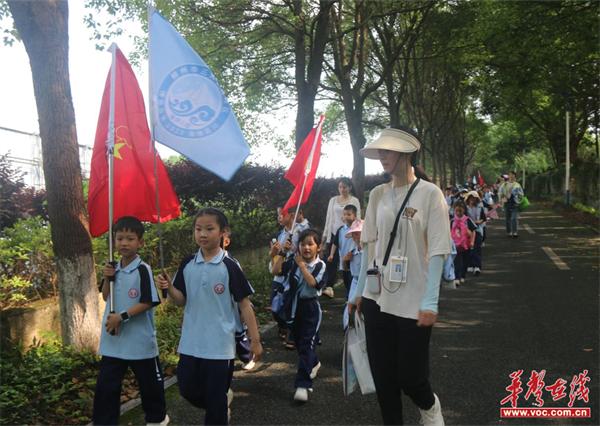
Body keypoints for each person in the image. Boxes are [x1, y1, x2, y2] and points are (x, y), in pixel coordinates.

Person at [348, 127, 451, 426]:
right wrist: (358, 293)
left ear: (406, 152)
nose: (381, 156)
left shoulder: (430, 194)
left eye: (387, 150)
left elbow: (438, 251)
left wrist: (430, 301)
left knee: (411, 376)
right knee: (384, 378)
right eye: (379, 150)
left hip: (414, 301)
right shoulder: (378, 194)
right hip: (376, 296)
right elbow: (369, 246)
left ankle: (429, 407)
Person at [156, 208, 262, 425]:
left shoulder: (229, 266)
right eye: (198, 229)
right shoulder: (188, 263)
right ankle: (220, 405)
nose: (202, 234)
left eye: (209, 229)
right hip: (191, 342)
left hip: (220, 346)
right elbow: (180, 299)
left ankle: (218, 408)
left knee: (214, 406)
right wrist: (167, 288)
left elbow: (245, 305)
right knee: (186, 389)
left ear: (223, 232)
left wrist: (255, 340)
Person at [93, 216, 168, 426]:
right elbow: (106, 296)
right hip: (113, 342)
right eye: (119, 238)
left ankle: (157, 419)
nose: (124, 243)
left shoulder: (143, 269)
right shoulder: (112, 266)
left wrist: (121, 317)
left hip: (139, 341)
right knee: (106, 388)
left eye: (130, 239)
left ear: (140, 242)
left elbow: (149, 301)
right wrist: (107, 277)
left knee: (149, 385)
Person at [272, 228, 327, 403]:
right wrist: (280, 253)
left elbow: (313, 284)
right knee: (299, 344)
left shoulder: (320, 265)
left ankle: (303, 385)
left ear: (318, 247)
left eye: (310, 244)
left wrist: (302, 265)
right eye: (303, 244)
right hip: (292, 308)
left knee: (306, 345)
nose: (306, 248)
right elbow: (275, 271)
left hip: (310, 309)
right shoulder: (293, 261)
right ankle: (314, 362)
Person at [222, 229, 255, 371]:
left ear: (226, 242)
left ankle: (248, 357)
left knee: (238, 335)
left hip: (233, 304)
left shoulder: (232, 262)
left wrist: (244, 309)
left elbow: (242, 288)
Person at [322, 178, 361, 295]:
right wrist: (325, 237)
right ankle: (329, 287)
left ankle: (352, 288)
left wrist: (357, 234)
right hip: (335, 232)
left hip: (349, 234)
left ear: (349, 187)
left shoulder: (354, 200)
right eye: (340, 187)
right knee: (331, 260)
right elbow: (329, 218)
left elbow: (358, 218)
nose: (342, 189)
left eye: (344, 187)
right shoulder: (333, 200)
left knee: (348, 261)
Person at [328, 204, 358, 298]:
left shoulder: (358, 229)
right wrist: (331, 255)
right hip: (344, 261)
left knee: (353, 280)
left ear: (355, 216)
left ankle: (351, 298)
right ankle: (349, 298)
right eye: (344, 214)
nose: (346, 216)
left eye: (349, 214)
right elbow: (335, 243)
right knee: (346, 280)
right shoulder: (341, 230)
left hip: (355, 260)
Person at [342, 219, 363, 329]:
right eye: (354, 233)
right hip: (355, 280)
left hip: (365, 282)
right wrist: (345, 260)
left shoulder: (369, 251)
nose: (356, 236)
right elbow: (346, 269)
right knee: (349, 304)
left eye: (358, 233)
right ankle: (347, 328)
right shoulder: (353, 249)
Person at [451, 201, 477, 286]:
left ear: (463, 211)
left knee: (465, 261)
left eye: (460, 211)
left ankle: (462, 275)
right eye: (457, 211)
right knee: (457, 262)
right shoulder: (452, 221)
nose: (458, 213)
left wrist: (472, 241)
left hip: (466, 244)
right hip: (456, 245)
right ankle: (457, 277)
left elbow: (473, 231)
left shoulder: (467, 220)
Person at [465, 191, 486, 275]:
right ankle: (470, 264)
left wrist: (478, 221)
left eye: (474, 199)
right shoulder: (465, 209)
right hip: (468, 231)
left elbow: (483, 218)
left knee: (477, 248)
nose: (472, 200)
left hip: (478, 230)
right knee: (469, 248)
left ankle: (477, 266)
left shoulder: (480, 208)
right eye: (470, 198)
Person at [498, 171, 524, 237]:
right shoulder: (505, 184)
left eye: (512, 175)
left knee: (514, 218)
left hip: (515, 203)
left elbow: (521, 194)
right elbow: (500, 192)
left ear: (515, 176)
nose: (511, 176)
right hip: (507, 203)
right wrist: (501, 200)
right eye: (510, 175)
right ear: (508, 176)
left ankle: (515, 232)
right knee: (508, 219)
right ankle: (509, 232)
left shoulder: (517, 185)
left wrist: (518, 198)